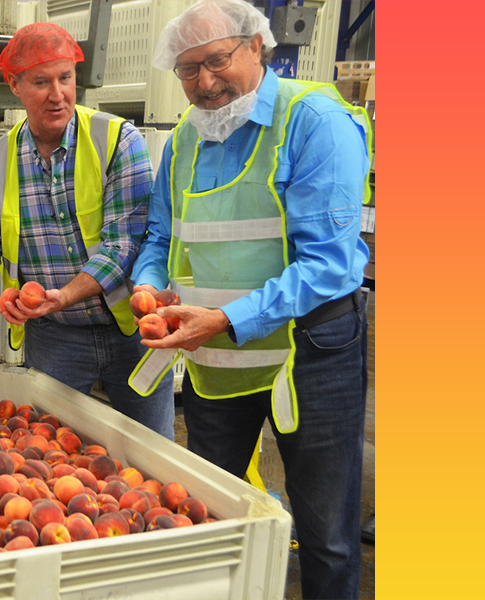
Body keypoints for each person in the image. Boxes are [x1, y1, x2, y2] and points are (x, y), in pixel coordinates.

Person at [128, 1, 372, 598]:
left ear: (257, 47)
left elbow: (329, 264)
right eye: (187, 70)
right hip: (218, 365)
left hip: (310, 352)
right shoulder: (187, 136)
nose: (203, 83)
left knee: (325, 531)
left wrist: (226, 317)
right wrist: (147, 284)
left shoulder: (313, 121)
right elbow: (163, 235)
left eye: (216, 61)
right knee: (213, 513)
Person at [0, 22, 175, 440]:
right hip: (55, 341)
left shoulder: (116, 140)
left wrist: (64, 296)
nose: (58, 94)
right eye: (41, 82)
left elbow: (125, 242)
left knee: (151, 456)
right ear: (14, 84)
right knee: (49, 459)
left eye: (66, 78)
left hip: (130, 331)